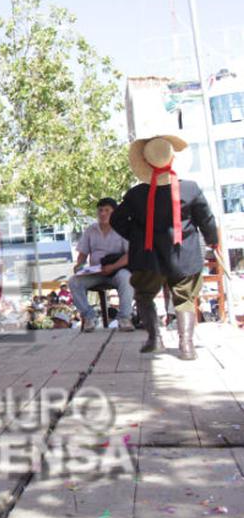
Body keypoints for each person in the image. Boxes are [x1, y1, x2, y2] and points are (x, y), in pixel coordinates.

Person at [110, 134, 218, 360]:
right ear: (172, 158)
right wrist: (212, 240)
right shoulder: (190, 189)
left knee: (145, 295)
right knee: (184, 298)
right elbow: (206, 220)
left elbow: (116, 220)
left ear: (146, 163)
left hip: (148, 256)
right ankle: (186, 346)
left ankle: (154, 339)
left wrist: (137, 237)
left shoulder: (136, 194)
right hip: (184, 254)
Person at [68, 197, 134, 332]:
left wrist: (113, 267)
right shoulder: (91, 230)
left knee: (127, 278)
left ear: (115, 212)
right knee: (74, 281)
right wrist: (79, 266)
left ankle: (124, 318)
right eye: (100, 210)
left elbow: (130, 255)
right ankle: (89, 317)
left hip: (117, 270)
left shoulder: (123, 229)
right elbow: (82, 254)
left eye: (107, 210)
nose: (103, 214)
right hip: (96, 272)